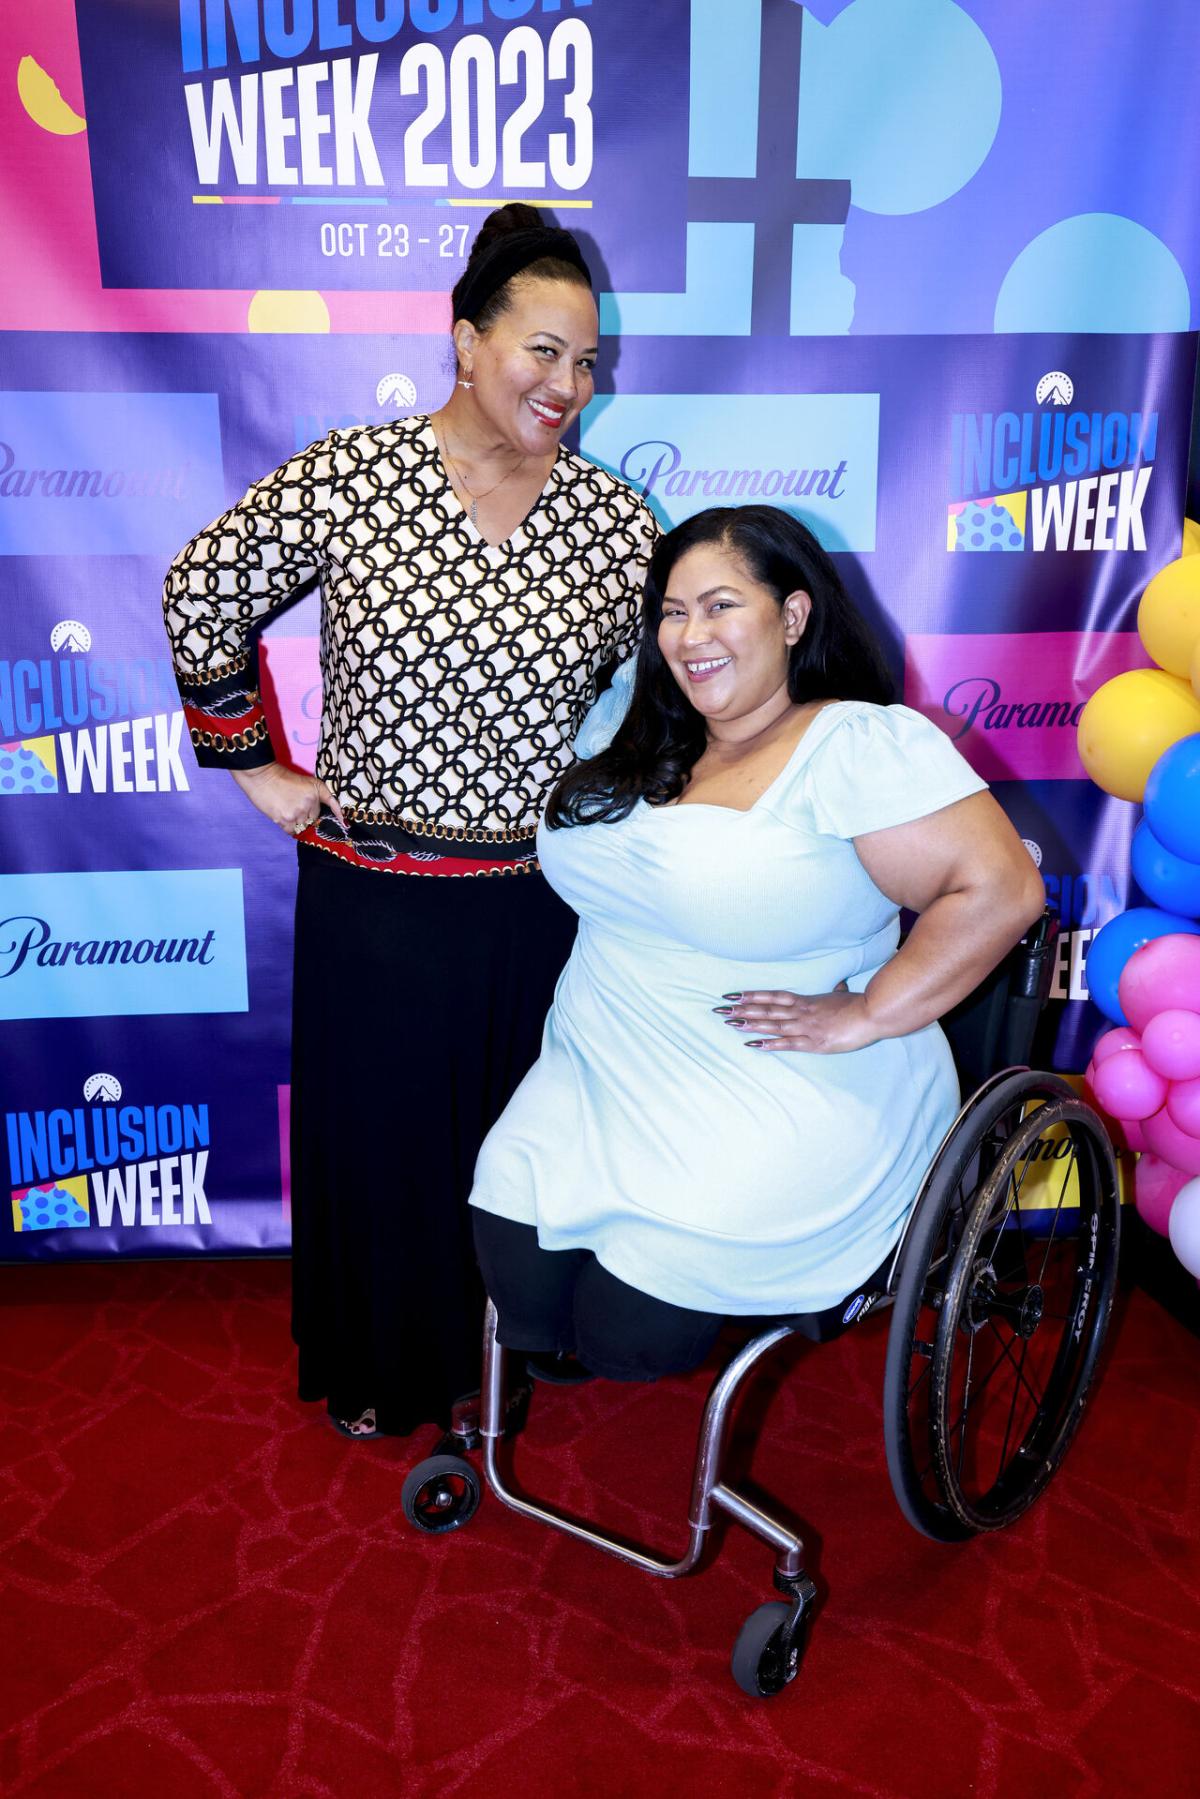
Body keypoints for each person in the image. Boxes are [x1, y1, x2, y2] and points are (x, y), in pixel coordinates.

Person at [162, 204, 658, 1437]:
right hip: (376, 896)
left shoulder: (617, 526)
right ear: (465, 343)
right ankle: (386, 1366)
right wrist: (254, 765)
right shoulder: (356, 476)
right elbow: (200, 591)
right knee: (387, 1152)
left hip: (537, 907)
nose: (569, 384)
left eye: (588, 362)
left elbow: (672, 703)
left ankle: (507, 1354)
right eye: (544, 350)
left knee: (516, 1150)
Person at [469, 506, 1047, 1377]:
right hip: (599, 1065)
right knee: (527, 1295)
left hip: (781, 1083)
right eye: (671, 610)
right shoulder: (637, 723)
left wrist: (869, 1010)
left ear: (794, 615)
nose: (689, 634)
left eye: (720, 605)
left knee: (627, 1339)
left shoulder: (849, 745)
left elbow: (1002, 888)